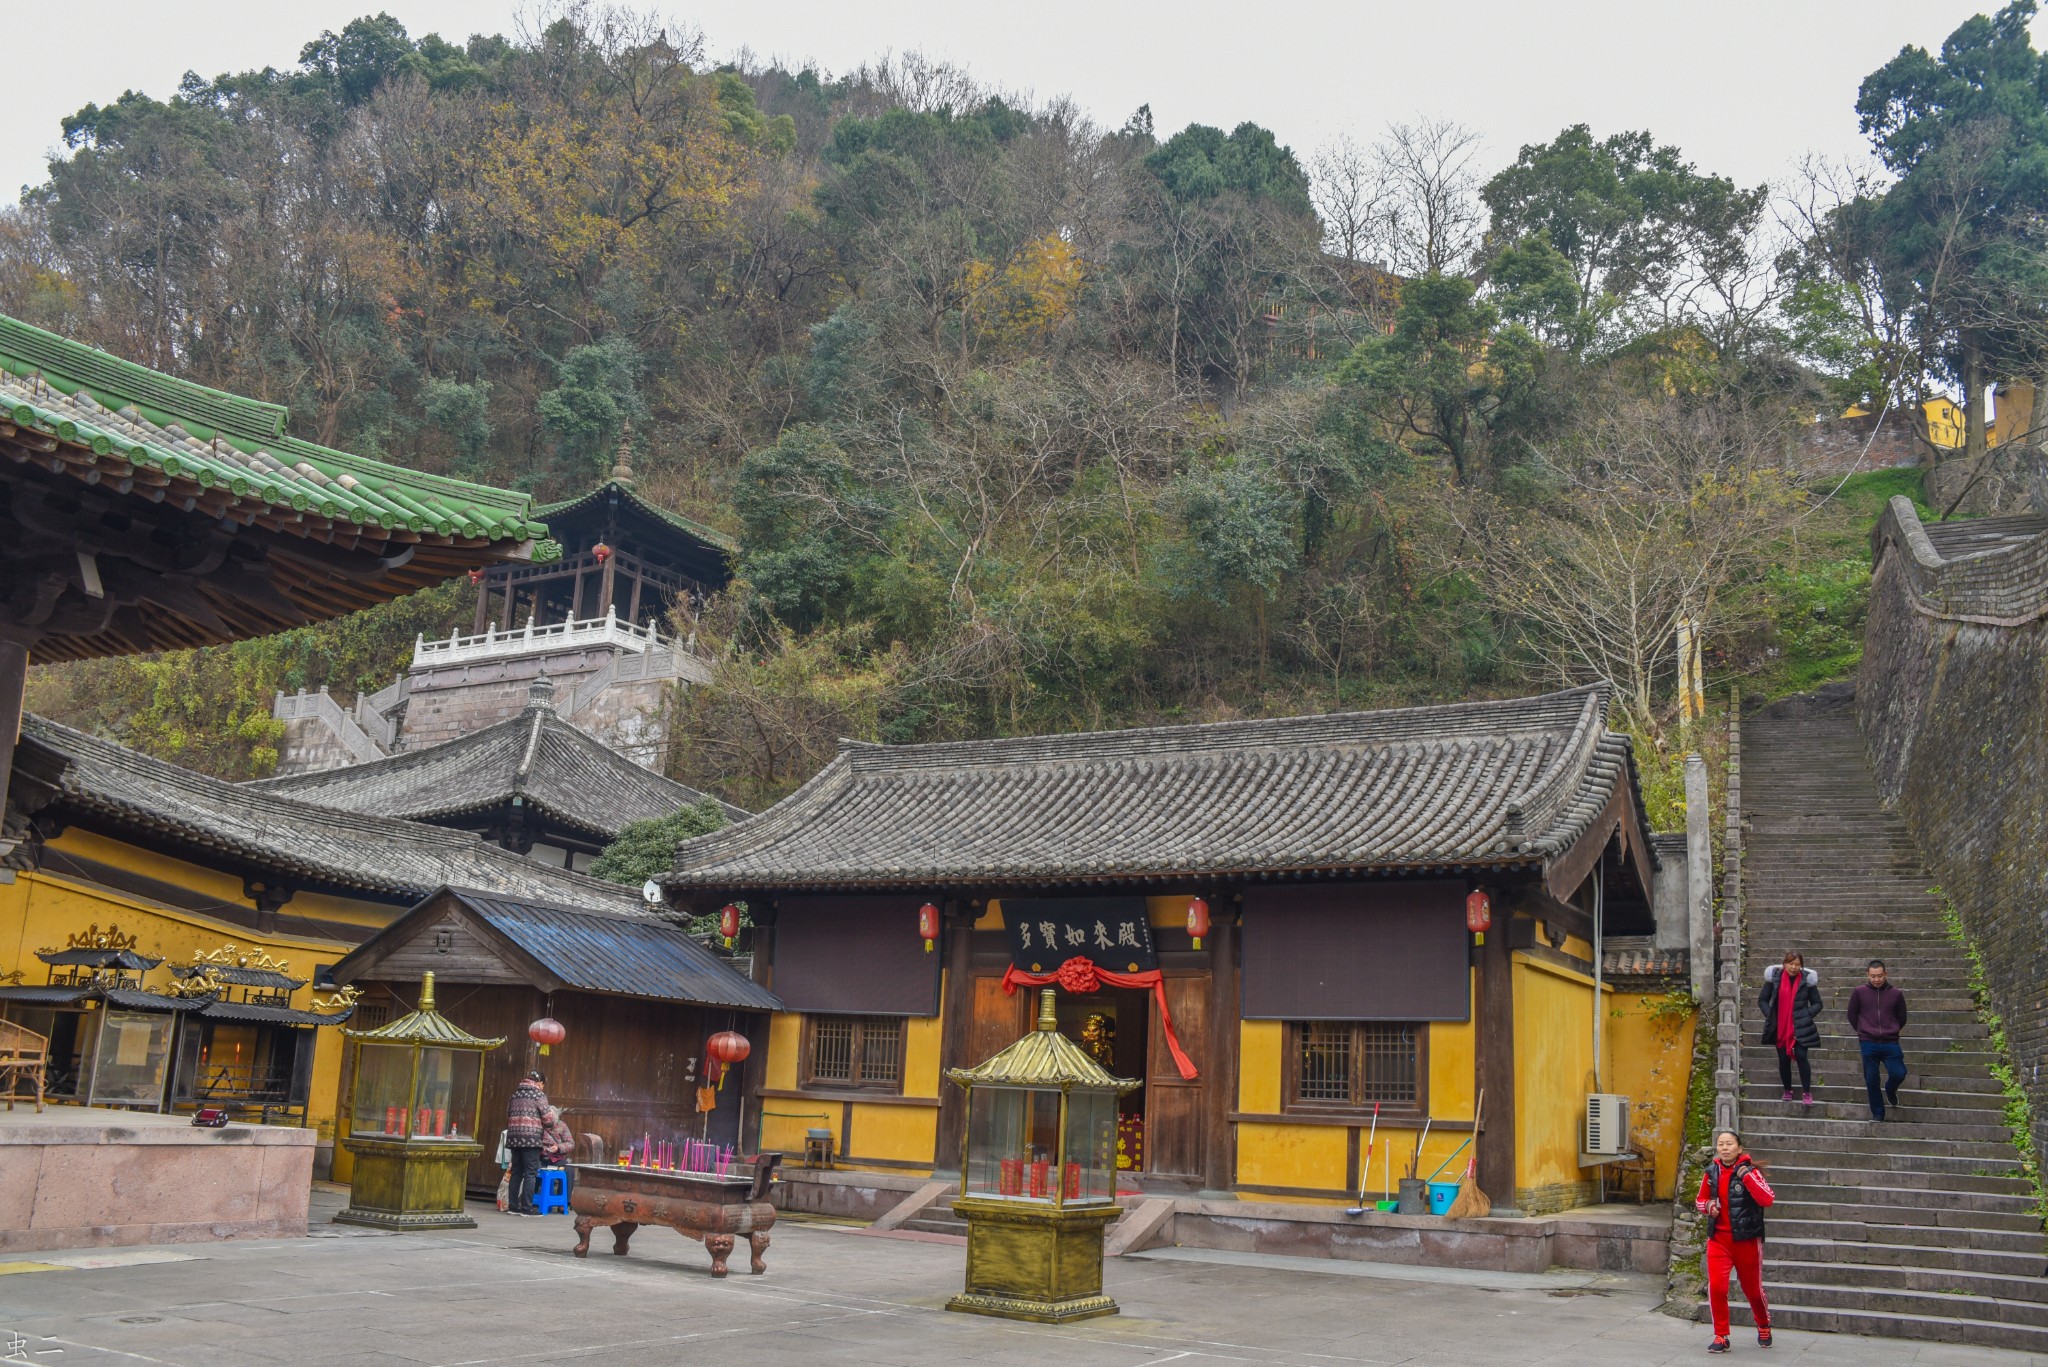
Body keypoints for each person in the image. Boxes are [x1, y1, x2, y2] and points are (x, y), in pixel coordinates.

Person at [1695, 1128, 1775, 1352]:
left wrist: (1747, 1177)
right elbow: (1700, 1200)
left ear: (1739, 1148)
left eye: (1729, 1144)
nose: (1725, 1147)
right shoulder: (1711, 1172)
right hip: (1719, 1240)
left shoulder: (1750, 1172)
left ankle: (1763, 1325)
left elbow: (1767, 1199)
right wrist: (1709, 1206)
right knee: (1717, 1289)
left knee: (1752, 1290)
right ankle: (1721, 1336)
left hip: (1747, 1240)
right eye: (1721, 1144)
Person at [1757, 952, 1822, 1107]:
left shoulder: (1807, 980)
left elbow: (1818, 1003)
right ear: (1784, 964)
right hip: (1780, 1027)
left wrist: (1806, 1014)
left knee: (1801, 1056)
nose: (1794, 967)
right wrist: (1772, 1015)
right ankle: (1787, 1089)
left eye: (1797, 964)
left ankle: (1806, 1092)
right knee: (1783, 1059)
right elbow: (1762, 1000)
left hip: (1800, 1026)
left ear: (1801, 965)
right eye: (1791, 963)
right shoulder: (1775, 979)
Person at [1847, 959, 1909, 1121]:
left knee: (1899, 1073)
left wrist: (1893, 1029)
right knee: (1872, 1079)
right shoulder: (1859, 992)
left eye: (1880, 976)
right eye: (1873, 976)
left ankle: (1890, 1089)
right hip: (1868, 1042)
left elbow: (1902, 1017)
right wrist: (1862, 1031)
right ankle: (1878, 1113)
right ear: (1867, 975)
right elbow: (1852, 1014)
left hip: (1890, 1042)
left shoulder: (1896, 994)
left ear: (1885, 974)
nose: (1877, 979)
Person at [505, 1070, 550, 1216]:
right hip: (531, 1139)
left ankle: (513, 1206)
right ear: (540, 1083)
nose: (542, 1088)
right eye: (543, 1084)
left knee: (516, 1172)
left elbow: (508, 1113)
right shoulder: (539, 1095)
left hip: (514, 1137)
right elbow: (548, 1119)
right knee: (530, 1173)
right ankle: (527, 1208)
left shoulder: (515, 1095)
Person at [541, 1104, 576, 1204]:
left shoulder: (562, 1125)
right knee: (532, 1169)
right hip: (540, 1157)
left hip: (557, 1158)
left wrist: (558, 1147)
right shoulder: (539, 1125)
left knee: (569, 1170)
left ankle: (564, 1201)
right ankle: (534, 1199)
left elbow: (571, 1143)